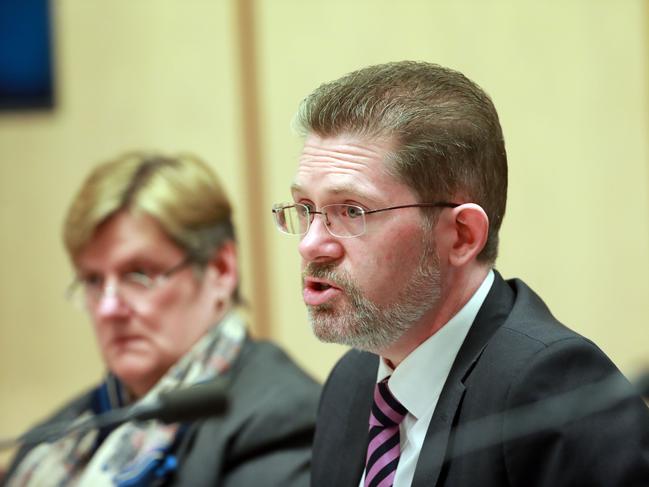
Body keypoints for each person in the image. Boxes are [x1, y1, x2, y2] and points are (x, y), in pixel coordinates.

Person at [272, 61, 649, 486]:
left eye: (351, 211)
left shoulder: (551, 393)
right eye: (305, 208)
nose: (310, 245)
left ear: (461, 236)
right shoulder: (351, 385)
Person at [3, 152, 320, 487]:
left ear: (221, 270)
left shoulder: (277, 418)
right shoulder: (57, 436)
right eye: (94, 281)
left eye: (139, 274)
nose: (108, 308)